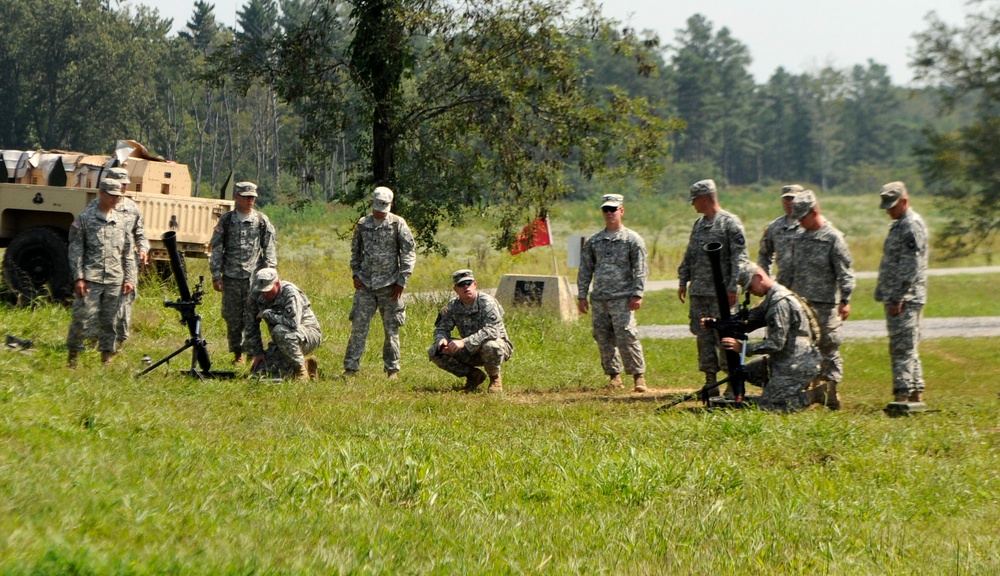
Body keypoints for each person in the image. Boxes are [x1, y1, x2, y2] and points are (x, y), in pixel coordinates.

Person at [708, 262, 821, 413]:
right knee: (744, 372)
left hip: (797, 364)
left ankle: (817, 394)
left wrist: (743, 348)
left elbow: (776, 344)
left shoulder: (780, 302)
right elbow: (747, 322)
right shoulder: (772, 298)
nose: (750, 292)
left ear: (759, 277)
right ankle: (783, 388)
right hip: (783, 360)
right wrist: (716, 323)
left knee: (769, 407)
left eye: (750, 287)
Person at [677, 179, 750, 396]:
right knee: (704, 337)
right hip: (700, 292)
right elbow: (690, 254)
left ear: (706, 198)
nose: (693, 205)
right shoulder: (699, 225)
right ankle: (710, 382)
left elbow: (740, 258)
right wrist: (683, 279)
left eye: (695, 200)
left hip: (722, 295)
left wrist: (733, 287)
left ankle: (730, 383)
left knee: (726, 337)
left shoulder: (730, 223)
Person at [786, 190, 855, 410]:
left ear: (814, 211)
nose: (799, 221)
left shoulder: (833, 238)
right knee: (802, 349)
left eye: (802, 217)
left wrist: (845, 299)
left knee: (829, 348)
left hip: (825, 306)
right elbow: (790, 271)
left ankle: (831, 392)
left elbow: (845, 272)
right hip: (801, 306)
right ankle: (810, 391)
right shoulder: (800, 238)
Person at [577, 193, 649, 392]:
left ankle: (638, 377)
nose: (609, 213)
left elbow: (640, 269)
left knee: (627, 336)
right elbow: (585, 270)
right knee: (602, 337)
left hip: (622, 298)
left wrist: (637, 294)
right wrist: (582, 295)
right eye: (605, 210)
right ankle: (614, 376)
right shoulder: (594, 241)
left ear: (622, 211)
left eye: (613, 209)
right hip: (600, 298)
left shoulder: (632, 240)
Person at [343, 186, 416, 379]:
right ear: (371, 204)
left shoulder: (398, 224)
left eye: (384, 207)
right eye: (377, 207)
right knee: (358, 327)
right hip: (365, 285)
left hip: (390, 286)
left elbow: (408, 254)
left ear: (390, 205)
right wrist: (355, 273)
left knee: (391, 330)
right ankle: (351, 368)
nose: (380, 211)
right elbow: (355, 251)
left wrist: (402, 281)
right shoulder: (363, 224)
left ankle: (392, 369)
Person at [66, 179, 137, 368]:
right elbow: (76, 250)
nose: (115, 198)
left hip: (115, 279)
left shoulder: (122, 221)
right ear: (101, 193)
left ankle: (106, 359)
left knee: (111, 321)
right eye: (112, 195)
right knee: (82, 319)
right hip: (91, 278)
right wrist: (79, 277)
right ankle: (72, 359)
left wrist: (129, 278)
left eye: (118, 195)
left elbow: (128, 253)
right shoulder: (85, 219)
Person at [209, 181, 278, 364]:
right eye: (246, 197)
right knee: (232, 317)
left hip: (253, 278)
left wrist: (269, 271)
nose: (250, 200)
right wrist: (216, 274)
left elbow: (269, 247)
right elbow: (216, 247)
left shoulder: (261, 220)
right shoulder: (227, 220)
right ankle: (237, 353)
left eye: (253, 197)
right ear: (237, 197)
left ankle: (252, 353)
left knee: (252, 316)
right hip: (231, 278)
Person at [875, 181, 929, 403]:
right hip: (902, 296)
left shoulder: (910, 226)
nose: (889, 211)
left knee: (901, 349)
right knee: (907, 346)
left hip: (905, 298)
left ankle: (902, 396)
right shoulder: (900, 224)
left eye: (893, 206)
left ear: (904, 202)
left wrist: (898, 296)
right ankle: (915, 392)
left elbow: (910, 267)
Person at [430, 269, 512, 393]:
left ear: (475, 285)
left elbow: (492, 330)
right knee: (435, 351)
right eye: (461, 285)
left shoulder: (487, 302)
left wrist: (464, 342)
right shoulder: (453, 306)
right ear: (455, 289)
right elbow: (442, 328)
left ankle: (495, 378)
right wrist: (442, 339)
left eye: (468, 283)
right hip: (470, 349)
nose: (466, 287)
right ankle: (474, 375)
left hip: (497, 347)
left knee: (491, 346)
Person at [100, 167, 149, 350]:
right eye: (121, 184)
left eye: (125, 185)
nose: (124, 188)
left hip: (127, 262)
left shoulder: (131, 207)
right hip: (105, 261)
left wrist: (143, 249)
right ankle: (98, 338)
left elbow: (140, 232)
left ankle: (120, 339)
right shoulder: (97, 207)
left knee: (126, 299)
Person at [244, 268, 321, 380]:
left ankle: (301, 370)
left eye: (268, 290)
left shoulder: (290, 293)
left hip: (307, 335)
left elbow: (293, 323)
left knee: (279, 330)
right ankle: (308, 364)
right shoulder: (256, 295)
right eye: (262, 290)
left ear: (277, 283)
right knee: (259, 374)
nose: (265, 294)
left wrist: (267, 314)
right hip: (282, 340)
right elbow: (251, 325)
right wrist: (258, 352)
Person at [757, 184, 803, 285]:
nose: (789, 203)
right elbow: (764, 254)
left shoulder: (809, 224)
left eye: (793, 199)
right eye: (786, 199)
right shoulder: (774, 227)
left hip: (809, 289)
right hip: (784, 287)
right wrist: (766, 280)